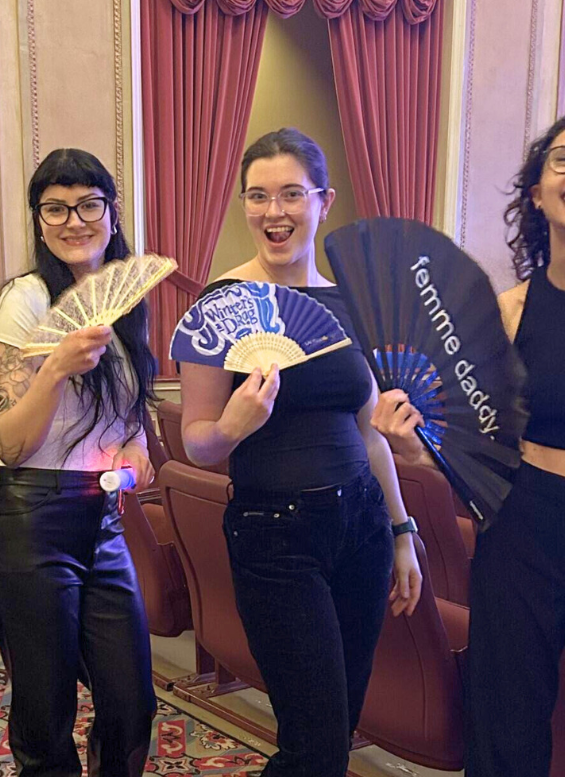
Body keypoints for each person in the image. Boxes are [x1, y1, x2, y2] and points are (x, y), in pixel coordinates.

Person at [375, 108, 565, 777]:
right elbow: (484, 452)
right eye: (564, 159)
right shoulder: (509, 309)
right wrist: (414, 447)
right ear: (537, 193)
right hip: (518, 528)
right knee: (503, 731)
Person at [179, 128, 426, 776]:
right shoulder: (222, 305)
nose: (273, 211)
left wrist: (400, 531)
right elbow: (198, 441)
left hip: (363, 530)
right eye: (258, 196)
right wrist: (234, 424)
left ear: (324, 201)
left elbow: (369, 429)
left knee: (336, 730)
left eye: (292, 194)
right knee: (311, 746)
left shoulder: (350, 304)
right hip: (274, 539)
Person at [0, 148, 157, 777]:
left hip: (101, 518)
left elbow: (129, 428)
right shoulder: (24, 301)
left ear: (110, 212)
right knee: (44, 708)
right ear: (39, 219)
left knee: (132, 702)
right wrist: (52, 370)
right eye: (55, 208)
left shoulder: (127, 303)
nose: (73, 220)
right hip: (31, 519)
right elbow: (10, 443)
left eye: (88, 204)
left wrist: (135, 450)